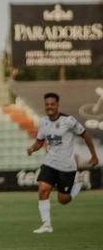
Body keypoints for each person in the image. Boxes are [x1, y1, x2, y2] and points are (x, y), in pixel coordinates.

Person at [27, 92, 99, 234]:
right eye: (47, 104)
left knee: (63, 200)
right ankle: (46, 225)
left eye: (52, 104)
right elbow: (40, 141)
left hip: (67, 167)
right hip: (50, 163)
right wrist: (32, 148)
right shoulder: (43, 122)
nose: (49, 107)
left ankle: (76, 186)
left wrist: (94, 156)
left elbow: (86, 135)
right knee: (42, 189)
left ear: (57, 105)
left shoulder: (69, 121)